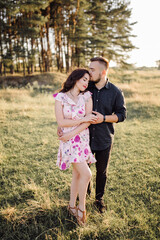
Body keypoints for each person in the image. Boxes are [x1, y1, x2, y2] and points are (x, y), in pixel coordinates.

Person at [58, 57, 126, 214]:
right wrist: (61, 126)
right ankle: (84, 195)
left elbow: (122, 115)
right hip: (83, 139)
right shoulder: (85, 87)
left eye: (92, 69)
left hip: (104, 138)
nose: (89, 72)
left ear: (103, 72)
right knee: (83, 171)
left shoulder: (115, 91)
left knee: (102, 171)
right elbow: (67, 104)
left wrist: (103, 118)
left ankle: (98, 199)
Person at [53, 68, 97, 225]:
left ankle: (72, 206)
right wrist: (82, 120)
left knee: (78, 174)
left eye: (88, 81)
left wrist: (71, 132)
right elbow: (61, 122)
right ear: (76, 78)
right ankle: (81, 208)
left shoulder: (86, 97)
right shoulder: (61, 98)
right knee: (87, 174)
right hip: (68, 142)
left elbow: (88, 121)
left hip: (81, 140)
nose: (86, 83)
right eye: (84, 79)